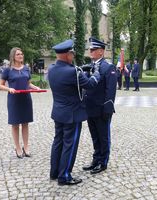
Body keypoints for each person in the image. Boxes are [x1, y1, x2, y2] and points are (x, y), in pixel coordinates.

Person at [48, 39, 101, 185]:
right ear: (67, 54)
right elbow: (90, 84)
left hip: (58, 112)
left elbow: (70, 80)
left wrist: (81, 71)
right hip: (72, 114)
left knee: (58, 142)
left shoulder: (52, 68)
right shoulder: (74, 72)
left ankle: (54, 172)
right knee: (69, 144)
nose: (73, 55)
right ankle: (64, 175)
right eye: (72, 53)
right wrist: (96, 73)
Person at [83, 37, 117, 174]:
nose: (90, 51)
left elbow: (111, 90)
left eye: (93, 49)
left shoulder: (108, 67)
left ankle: (103, 162)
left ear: (101, 52)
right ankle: (96, 159)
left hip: (101, 109)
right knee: (94, 136)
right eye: (90, 49)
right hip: (90, 108)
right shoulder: (90, 66)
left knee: (103, 137)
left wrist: (108, 108)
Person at [0, 47, 40, 159]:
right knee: (15, 124)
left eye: (21, 54)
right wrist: (9, 89)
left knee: (25, 124)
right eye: (18, 54)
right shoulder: (7, 70)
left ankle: (26, 147)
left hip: (26, 99)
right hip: (14, 99)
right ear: (13, 56)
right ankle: (17, 147)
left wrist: (35, 87)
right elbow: (1, 85)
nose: (21, 56)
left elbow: (28, 83)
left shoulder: (26, 68)